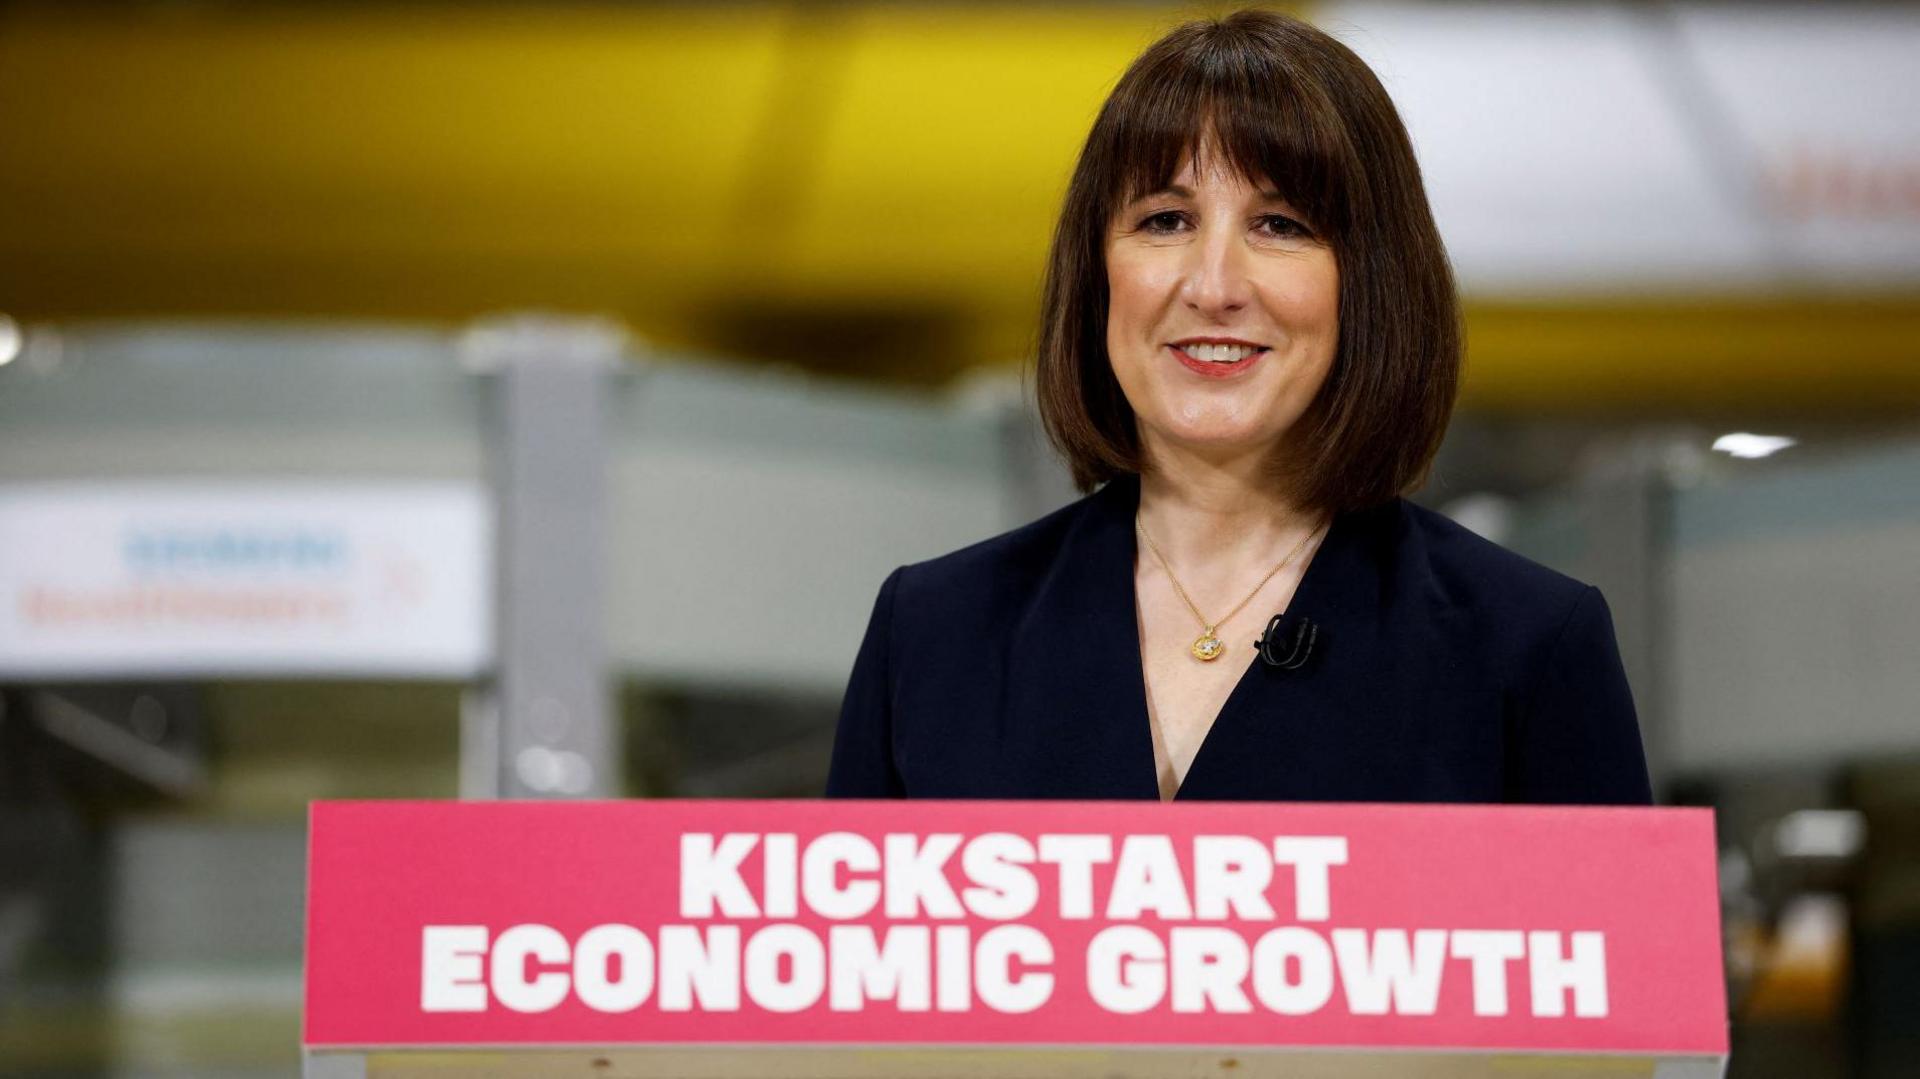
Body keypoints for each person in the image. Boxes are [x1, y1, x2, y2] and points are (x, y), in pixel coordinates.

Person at [825, 9, 1652, 805]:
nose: (1214, 285)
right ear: (1099, 272)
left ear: (1370, 284)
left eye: (1281, 224)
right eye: (1166, 219)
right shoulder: (931, 634)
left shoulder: (1529, 646)